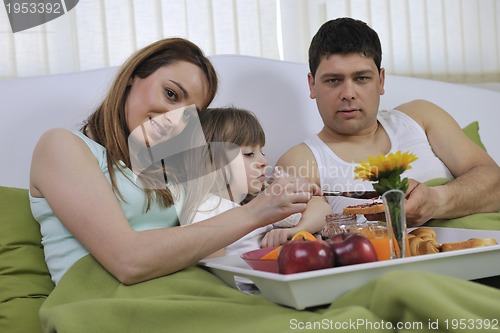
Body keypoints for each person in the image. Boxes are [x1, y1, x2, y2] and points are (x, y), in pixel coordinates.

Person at [29, 37, 320, 286]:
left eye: (189, 113)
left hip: (183, 291)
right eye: (170, 94)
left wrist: (294, 202)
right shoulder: (62, 146)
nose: (174, 119)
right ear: (134, 76)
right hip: (106, 304)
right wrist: (256, 212)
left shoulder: (171, 170)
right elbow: (128, 261)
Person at [276, 17, 500, 227]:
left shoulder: (420, 117)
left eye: (362, 78)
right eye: (333, 80)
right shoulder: (300, 161)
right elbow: (304, 238)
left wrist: (437, 200)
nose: (348, 93)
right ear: (312, 85)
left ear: (381, 80)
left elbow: (495, 183)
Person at [184, 107, 330, 257]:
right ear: (210, 162)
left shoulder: (259, 199)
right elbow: (216, 267)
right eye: (249, 154)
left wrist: (295, 231)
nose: (264, 161)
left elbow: (323, 210)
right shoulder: (207, 211)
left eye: (262, 152)